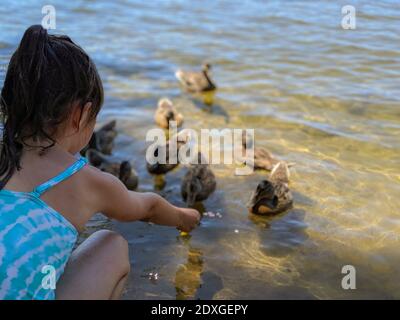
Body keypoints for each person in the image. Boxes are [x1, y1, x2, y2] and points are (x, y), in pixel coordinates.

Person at [0, 25, 200, 300]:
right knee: (111, 244)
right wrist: (185, 217)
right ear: (80, 115)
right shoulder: (83, 180)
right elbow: (149, 207)